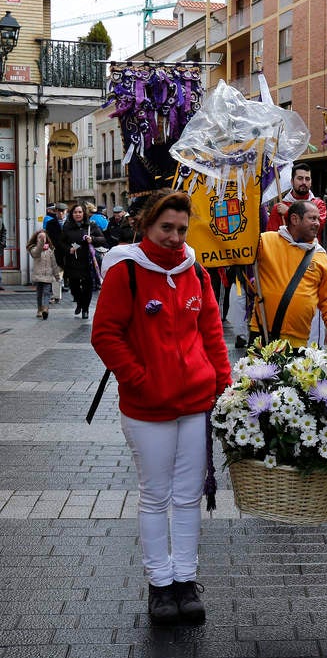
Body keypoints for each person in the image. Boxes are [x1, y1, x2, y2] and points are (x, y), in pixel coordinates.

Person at [91, 189, 231, 626]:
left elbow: (212, 335)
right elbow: (106, 334)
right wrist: (140, 379)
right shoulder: (127, 271)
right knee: (155, 496)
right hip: (146, 407)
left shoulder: (197, 273)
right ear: (146, 226)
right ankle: (160, 585)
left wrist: (222, 386)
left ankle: (185, 581)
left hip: (195, 403)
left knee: (189, 497)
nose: (174, 237)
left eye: (181, 230)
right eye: (165, 228)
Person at [250, 200, 327, 347]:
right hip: (261, 334)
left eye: (318, 219)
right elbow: (242, 257)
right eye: (312, 218)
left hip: (297, 340)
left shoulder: (320, 256)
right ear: (294, 219)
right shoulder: (265, 241)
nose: (317, 223)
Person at [61, 203, 106, 319]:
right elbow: (61, 242)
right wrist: (68, 249)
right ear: (72, 214)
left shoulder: (91, 225)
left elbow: (102, 239)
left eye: (80, 212)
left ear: (84, 213)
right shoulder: (67, 226)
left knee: (88, 286)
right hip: (73, 261)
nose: (78, 214)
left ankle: (85, 309)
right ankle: (79, 302)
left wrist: (93, 239)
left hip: (87, 261)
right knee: (74, 286)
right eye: (75, 212)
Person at [266, 163, 327, 231]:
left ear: (311, 182)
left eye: (307, 179)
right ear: (292, 181)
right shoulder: (279, 208)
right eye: (300, 178)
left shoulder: (318, 204)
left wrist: (289, 212)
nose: (304, 182)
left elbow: (316, 227)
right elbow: (271, 237)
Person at [26, 229, 60, 318]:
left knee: (47, 293)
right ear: (36, 239)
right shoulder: (33, 249)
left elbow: (54, 264)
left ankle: (45, 309)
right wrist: (40, 243)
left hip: (48, 276)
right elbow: (36, 253)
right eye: (40, 237)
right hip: (38, 276)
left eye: (44, 237)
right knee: (39, 294)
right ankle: (39, 309)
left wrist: (57, 276)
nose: (42, 239)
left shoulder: (50, 250)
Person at [45, 202, 68, 303]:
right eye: (59, 211)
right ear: (56, 212)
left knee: (75, 277)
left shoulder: (71, 223)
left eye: (63, 211)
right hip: (57, 253)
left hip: (71, 253)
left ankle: (78, 296)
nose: (61, 214)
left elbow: (78, 237)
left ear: (66, 211)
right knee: (56, 276)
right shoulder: (51, 224)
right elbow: (48, 238)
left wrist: (75, 248)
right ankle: (56, 296)